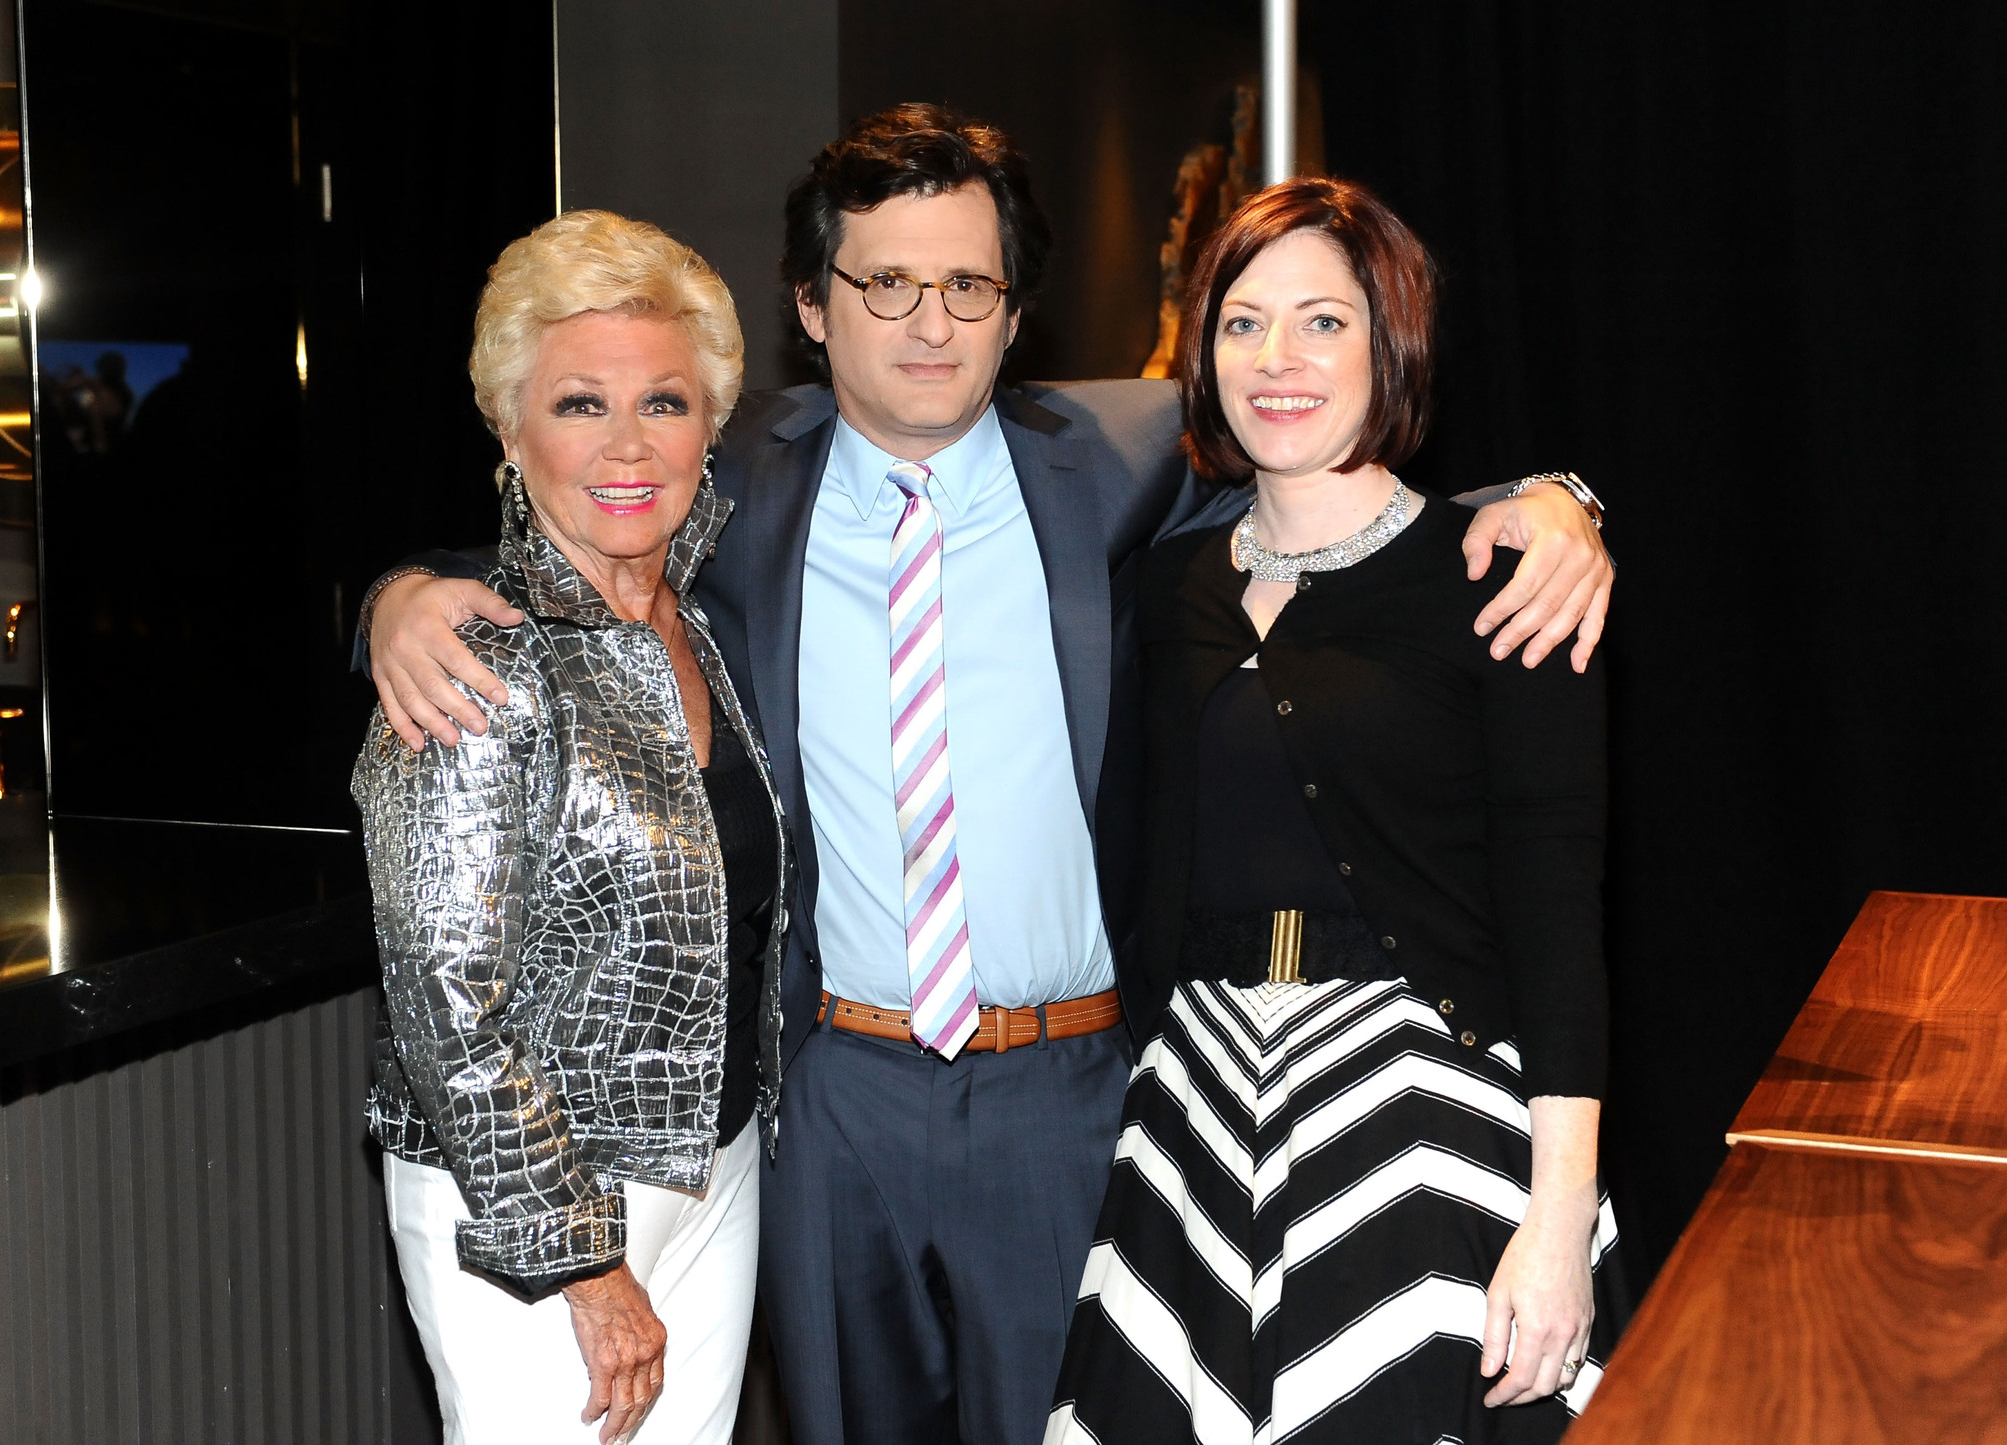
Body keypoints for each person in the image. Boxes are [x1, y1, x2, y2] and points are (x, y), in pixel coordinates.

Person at [358, 106, 1615, 1445]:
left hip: (1070, 1094)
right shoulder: (730, 488)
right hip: (834, 1102)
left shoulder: (1122, 462)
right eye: (885, 283)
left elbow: (1339, 488)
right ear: (812, 306)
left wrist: (1556, 498)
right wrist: (393, 599)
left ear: (1015, 317)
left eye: (969, 285)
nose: (930, 324)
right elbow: (559, 508)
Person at [1046, 177, 1630, 1445]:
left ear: (1390, 343)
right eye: (1242, 322)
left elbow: (1556, 906)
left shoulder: (1505, 573)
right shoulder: (1165, 579)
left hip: (1425, 1119)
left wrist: (1557, 1216)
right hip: (1192, 1116)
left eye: (1323, 321)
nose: (1277, 359)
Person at [353, 210, 791, 1445]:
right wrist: (586, 1266)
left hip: (715, 1168)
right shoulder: (469, 657)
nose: (627, 443)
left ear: (711, 425)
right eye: (578, 404)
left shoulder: (700, 633)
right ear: (510, 428)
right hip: (526, 1209)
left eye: (662, 401)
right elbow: (444, 1004)